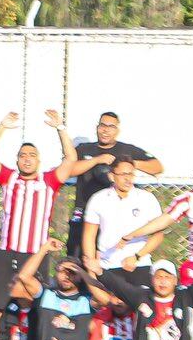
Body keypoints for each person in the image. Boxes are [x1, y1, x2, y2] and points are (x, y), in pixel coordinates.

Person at [0, 110, 90, 309]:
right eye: (23, 155)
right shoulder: (9, 178)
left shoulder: (49, 180)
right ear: (17, 160)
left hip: (35, 254)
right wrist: (2, 126)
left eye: (32, 155)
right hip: (7, 252)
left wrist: (60, 128)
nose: (27, 159)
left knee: (35, 307)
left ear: (38, 160)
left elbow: (71, 158)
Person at [63, 110, 163, 259]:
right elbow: (68, 170)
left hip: (112, 222)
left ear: (117, 130)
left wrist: (128, 163)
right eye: (102, 125)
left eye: (111, 126)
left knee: (108, 264)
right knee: (78, 263)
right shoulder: (84, 149)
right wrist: (96, 160)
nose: (105, 130)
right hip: (85, 215)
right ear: (97, 127)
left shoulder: (126, 150)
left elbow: (157, 167)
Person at [79, 160, 164, 277]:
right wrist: (91, 264)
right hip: (107, 265)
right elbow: (89, 235)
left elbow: (158, 235)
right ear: (112, 176)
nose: (128, 179)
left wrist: (137, 256)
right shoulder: (98, 199)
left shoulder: (146, 198)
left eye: (131, 174)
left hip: (139, 265)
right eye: (123, 174)